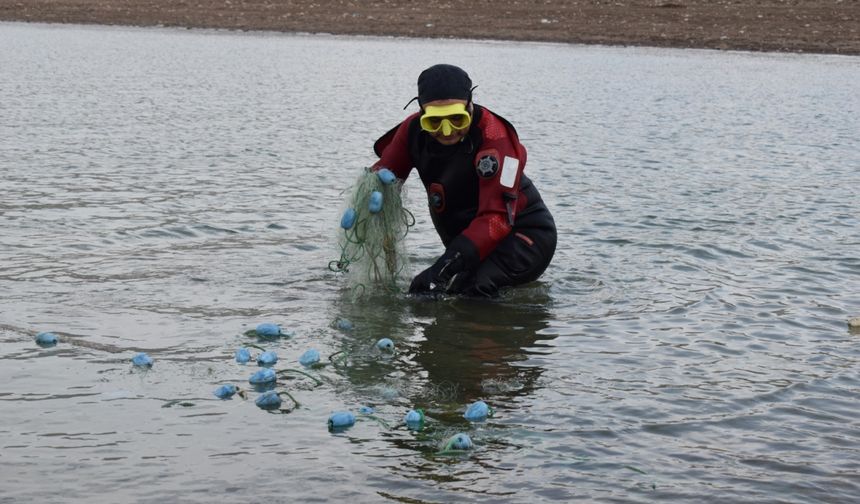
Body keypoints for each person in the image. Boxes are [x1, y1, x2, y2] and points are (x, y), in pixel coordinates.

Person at [372, 64, 556, 297]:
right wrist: (371, 190)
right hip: (469, 243)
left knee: (471, 290)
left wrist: (442, 268)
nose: (447, 131)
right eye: (435, 122)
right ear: (421, 113)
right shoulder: (412, 131)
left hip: (525, 238)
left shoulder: (496, 138)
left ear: (470, 105)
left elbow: (496, 220)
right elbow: (385, 170)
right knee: (446, 297)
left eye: (457, 119)